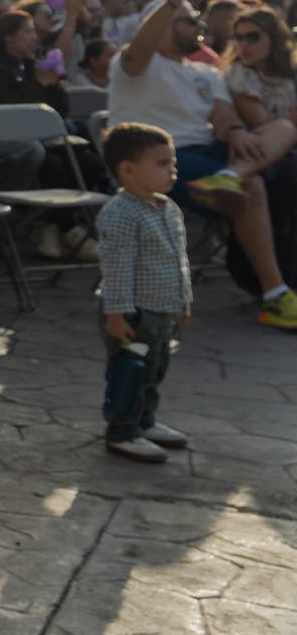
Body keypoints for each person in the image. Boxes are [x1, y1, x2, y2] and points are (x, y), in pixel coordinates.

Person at [107, 0, 297, 330]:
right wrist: (172, 1)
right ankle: (276, 294)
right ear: (164, 24)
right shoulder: (135, 66)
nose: (201, 27)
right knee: (253, 185)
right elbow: (140, 48)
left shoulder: (207, 72)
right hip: (154, 157)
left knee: (285, 131)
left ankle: (228, 180)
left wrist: (239, 132)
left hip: (207, 152)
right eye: (190, 20)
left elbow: (224, 116)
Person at [93, 123, 194, 463]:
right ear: (128, 169)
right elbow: (117, 269)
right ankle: (122, 430)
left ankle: (145, 421)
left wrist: (184, 301)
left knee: (155, 369)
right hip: (134, 311)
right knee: (130, 371)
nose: (172, 170)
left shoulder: (167, 208)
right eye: (162, 163)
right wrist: (117, 315)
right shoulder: (120, 214)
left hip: (163, 307)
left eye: (173, 162)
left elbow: (179, 259)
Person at [0, 9, 101, 259]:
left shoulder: (31, 64)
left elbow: (60, 110)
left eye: (34, 31)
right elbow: (7, 107)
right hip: (12, 141)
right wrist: (39, 84)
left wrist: (53, 84)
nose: (34, 37)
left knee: (90, 164)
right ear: (8, 37)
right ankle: (67, 229)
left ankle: (53, 226)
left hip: (47, 138)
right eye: (27, 32)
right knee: (54, 167)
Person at [224, 7, 296, 128]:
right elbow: (260, 123)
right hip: (262, 142)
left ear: (274, 38)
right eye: (238, 38)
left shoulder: (290, 73)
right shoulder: (238, 75)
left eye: (252, 37)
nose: (244, 45)